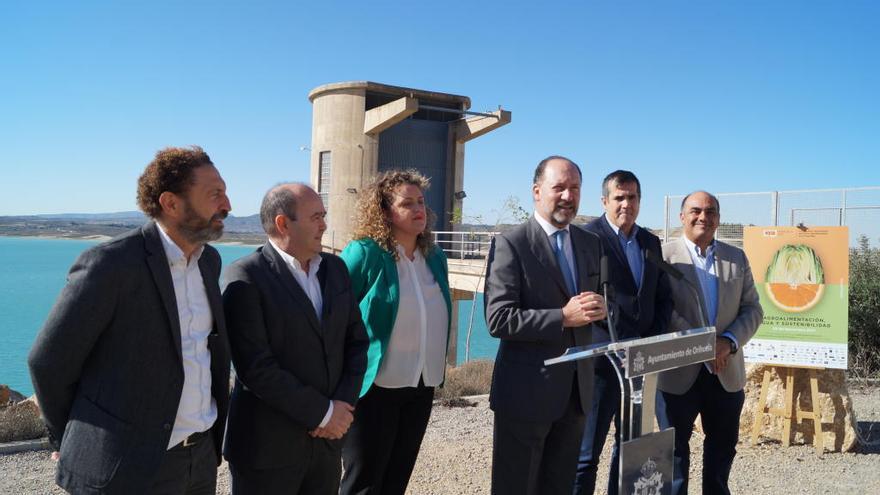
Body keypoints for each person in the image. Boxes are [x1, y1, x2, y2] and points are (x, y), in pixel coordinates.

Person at [28, 146, 232, 494]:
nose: (227, 205)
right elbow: (48, 362)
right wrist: (76, 438)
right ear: (171, 203)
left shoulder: (208, 262)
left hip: (200, 459)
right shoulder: (111, 265)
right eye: (215, 194)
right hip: (126, 468)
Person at [222, 183, 368, 494]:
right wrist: (323, 413)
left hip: (327, 447)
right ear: (283, 223)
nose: (324, 225)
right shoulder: (245, 276)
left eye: (323, 216)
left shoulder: (336, 269)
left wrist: (342, 406)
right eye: (316, 217)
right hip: (268, 451)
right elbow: (256, 368)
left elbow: (356, 341)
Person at [483, 155, 608, 495]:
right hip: (525, 395)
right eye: (559, 188)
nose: (568, 196)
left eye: (575, 188)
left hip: (575, 394)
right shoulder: (512, 244)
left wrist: (600, 308)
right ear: (537, 192)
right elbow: (498, 318)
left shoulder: (590, 244)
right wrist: (562, 316)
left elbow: (593, 304)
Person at [339, 170, 453, 495]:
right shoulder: (365, 253)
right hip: (375, 388)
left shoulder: (435, 257)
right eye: (407, 203)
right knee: (364, 483)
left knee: (396, 480)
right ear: (386, 211)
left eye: (421, 202)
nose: (419, 209)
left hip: (422, 384)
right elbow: (336, 315)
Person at [573, 170, 673, 495]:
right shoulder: (587, 239)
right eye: (619, 197)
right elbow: (583, 298)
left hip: (642, 365)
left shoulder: (650, 242)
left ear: (640, 202)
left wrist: (649, 342)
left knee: (631, 449)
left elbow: (663, 299)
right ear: (604, 201)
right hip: (603, 365)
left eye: (632, 197)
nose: (626, 204)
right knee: (587, 456)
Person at [658, 191, 763, 495]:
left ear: (718, 218)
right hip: (678, 374)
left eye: (711, 211)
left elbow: (752, 308)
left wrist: (728, 342)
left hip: (726, 372)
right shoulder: (664, 257)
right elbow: (663, 310)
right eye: (696, 210)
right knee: (674, 454)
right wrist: (704, 345)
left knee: (721, 452)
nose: (703, 217)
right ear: (682, 216)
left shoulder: (736, 257)